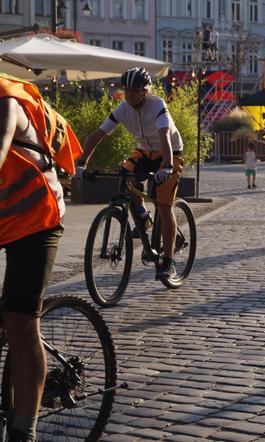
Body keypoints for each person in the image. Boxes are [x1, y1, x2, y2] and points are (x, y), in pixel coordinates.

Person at [1, 73, 82, 441]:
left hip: (37, 219)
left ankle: (24, 430)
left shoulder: (7, 105)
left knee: (20, 321)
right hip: (4, 218)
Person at [77, 67, 184, 280]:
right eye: (127, 90)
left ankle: (169, 261)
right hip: (144, 151)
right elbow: (98, 135)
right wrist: (81, 163)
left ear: (146, 91)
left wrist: (167, 166)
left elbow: (164, 135)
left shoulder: (158, 105)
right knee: (125, 177)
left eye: (135, 90)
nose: (130, 94)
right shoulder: (123, 108)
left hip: (169, 153)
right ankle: (143, 217)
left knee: (164, 205)